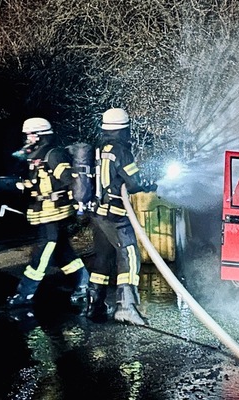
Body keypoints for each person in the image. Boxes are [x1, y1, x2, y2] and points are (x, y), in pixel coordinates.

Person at [6, 117, 90, 310]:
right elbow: (37, 182)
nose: (28, 138)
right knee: (62, 253)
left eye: (31, 134)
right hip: (42, 211)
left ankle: (25, 293)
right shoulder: (34, 156)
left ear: (41, 135)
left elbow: (70, 180)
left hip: (54, 212)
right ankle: (84, 284)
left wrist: (78, 205)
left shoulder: (53, 154)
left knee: (43, 251)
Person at [85, 107, 157, 325]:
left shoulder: (99, 148)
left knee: (103, 259)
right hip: (115, 215)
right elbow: (133, 183)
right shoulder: (121, 150)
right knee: (130, 255)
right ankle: (125, 307)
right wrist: (145, 184)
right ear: (124, 129)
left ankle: (94, 305)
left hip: (98, 215)